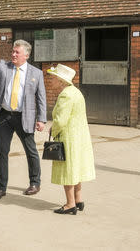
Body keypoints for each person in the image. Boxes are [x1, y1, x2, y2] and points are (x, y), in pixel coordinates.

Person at [0, 39, 46, 200]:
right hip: (5, 116)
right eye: (13, 52)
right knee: (2, 152)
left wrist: (42, 119)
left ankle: (35, 183)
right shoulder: (4, 67)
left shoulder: (36, 73)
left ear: (26, 55)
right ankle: (1, 187)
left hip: (25, 117)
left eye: (17, 52)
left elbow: (41, 98)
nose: (13, 54)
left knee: (31, 151)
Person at [47, 64, 95, 215]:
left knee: (67, 170)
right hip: (80, 137)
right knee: (76, 169)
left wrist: (53, 130)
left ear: (61, 81)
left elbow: (61, 120)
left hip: (68, 138)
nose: (51, 81)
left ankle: (70, 204)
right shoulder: (76, 92)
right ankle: (78, 200)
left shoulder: (65, 95)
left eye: (53, 78)